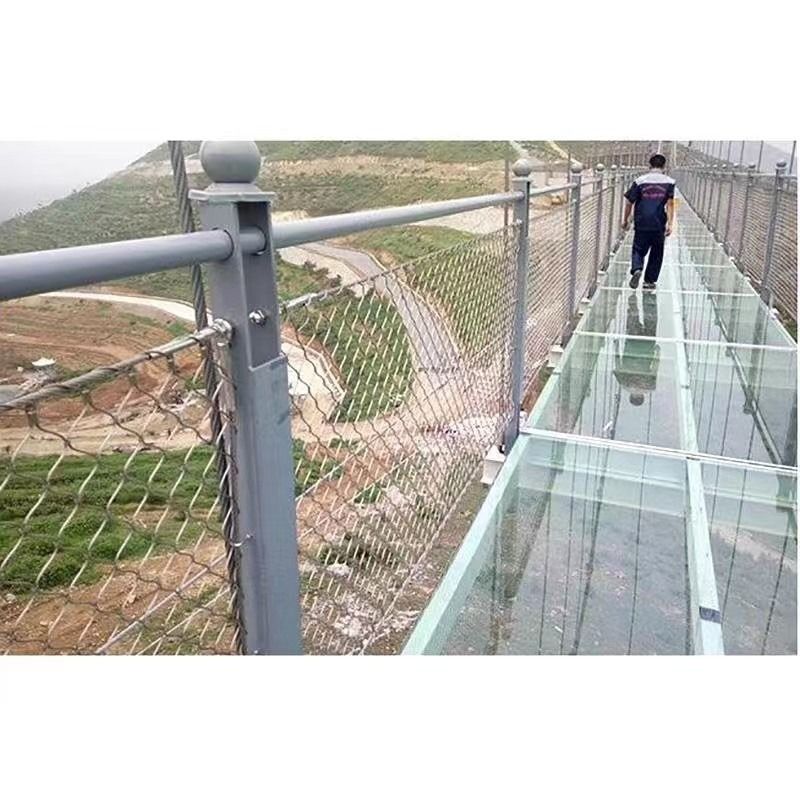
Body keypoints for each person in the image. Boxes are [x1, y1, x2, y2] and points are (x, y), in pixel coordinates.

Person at [621, 153, 675, 290]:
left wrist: (625, 219)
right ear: (664, 166)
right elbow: (670, 204)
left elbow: (629, 202)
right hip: (659, 222)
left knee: (638, 249)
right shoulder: (670, 182)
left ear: (649, 165)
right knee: (657, 252)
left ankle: (637, 268)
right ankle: (649, 281)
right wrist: (670, 223)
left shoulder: (640, 181)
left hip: (641, 221)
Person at [613, 291, 660, 407]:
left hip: (648, 346)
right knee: (633, 315)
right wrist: (616, 346)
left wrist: (658, 352)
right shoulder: (624, 383)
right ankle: (633, 295)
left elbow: (655, 367)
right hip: (631, 344)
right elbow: (618, 363)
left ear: (642, 397)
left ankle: (649, 297)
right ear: (631, 397)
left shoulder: (649, 386)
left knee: (651, 318)